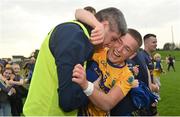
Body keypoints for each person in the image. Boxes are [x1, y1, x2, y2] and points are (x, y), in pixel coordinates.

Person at [23, 7, 127, 116]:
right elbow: (69, 101)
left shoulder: (73, 30)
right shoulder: (76, 38)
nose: (112, 44)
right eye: (114, 38)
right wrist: (92, 88)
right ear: (104, 26)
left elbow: (79, 12)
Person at [72, 28, 142, 116]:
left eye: (127, 49)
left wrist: (86, 85)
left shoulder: (127, 76)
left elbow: (107, 104)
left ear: (132, 55)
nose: (119, 49)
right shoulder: (98, 50)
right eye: (119, 41)